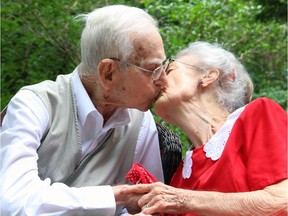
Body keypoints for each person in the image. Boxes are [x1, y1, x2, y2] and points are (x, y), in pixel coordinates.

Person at [0, 5, 170, 215]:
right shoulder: (34, 104)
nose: (164, 80)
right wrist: (112, 196)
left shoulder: (141, 120)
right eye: (153, 70)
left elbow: (144, 204)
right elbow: (12, 203)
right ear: (108, 73)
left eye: (164, 66)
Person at [121, 41, 288, 216]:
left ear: (208, 76)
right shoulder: (180, 175)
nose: (157, 80)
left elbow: (281, 201)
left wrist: (182, 200)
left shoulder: (258, 115)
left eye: (169, 70)